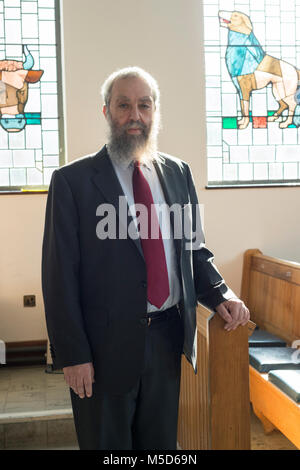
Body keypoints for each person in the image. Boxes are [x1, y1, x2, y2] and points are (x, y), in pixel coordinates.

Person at [42, 66, 250, 451]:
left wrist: (222, 294)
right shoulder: (72, 181)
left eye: (144, 105)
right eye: (124, 105)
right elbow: (59, 277)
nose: (134, 115)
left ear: (155, 112)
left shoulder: (177, 172)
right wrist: (72, 354)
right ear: (107, 112)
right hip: (102, 350)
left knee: (159, 448)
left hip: (167, 339)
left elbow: (193, 249)